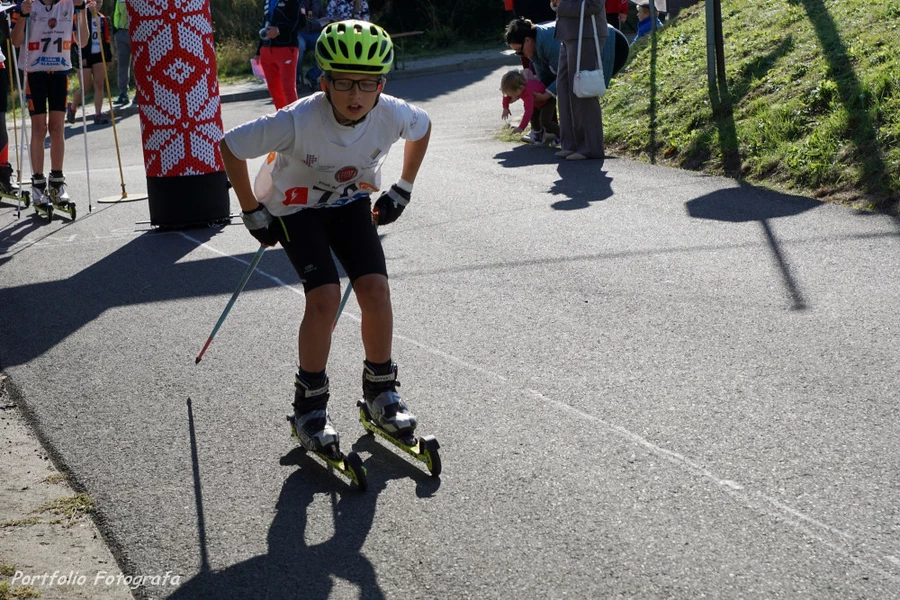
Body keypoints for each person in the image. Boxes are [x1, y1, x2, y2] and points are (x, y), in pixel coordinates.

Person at [220, 20, 432, 456]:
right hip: (294, 209)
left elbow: (424, 127)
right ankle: (310, 407)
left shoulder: (392, 112)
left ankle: (381, 393)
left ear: (381, 85)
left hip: (348, 202)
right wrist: (251, 210)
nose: (356, 96)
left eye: (368, 84)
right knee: (324, 297)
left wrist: (403, 188)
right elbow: (231, 146)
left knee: (375, 291)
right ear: (324, 82)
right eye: (344, 83)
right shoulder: (297, 120)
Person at [11, 0, 89, 206]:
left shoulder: (68, 4)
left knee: (57, 128)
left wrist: (81, 9)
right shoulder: (27, 3)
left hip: (60, 71)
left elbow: (82, 41)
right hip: (34, 73)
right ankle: (38, 185)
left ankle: (56, 183)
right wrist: (23, 15)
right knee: (39, 128)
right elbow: (16, 41)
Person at [553, 0, 606, 161]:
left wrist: (561, 5)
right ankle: (571, 144)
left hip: (586, 34)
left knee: (583, 89)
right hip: (568, 34)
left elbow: (593, 5)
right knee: (564, 89)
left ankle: (590, 147)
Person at [504, 17, 559, 144]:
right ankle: (541, 133)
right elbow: (545, 78)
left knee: (547, 117)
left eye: (520, 51)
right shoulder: (533, 52)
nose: (521, 55)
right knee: (537, 115)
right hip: (544, 95)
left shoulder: (548, 45)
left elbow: (564, 75)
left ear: (528, 40)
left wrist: (546, 95)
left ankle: (565, 137)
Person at [302, 0, 369, 89]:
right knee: (329, 48)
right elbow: (328, 17)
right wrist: (336, 21)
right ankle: (312, 77)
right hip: (338, 34)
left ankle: (358, 77)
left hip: (356, 35)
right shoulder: (335, 2)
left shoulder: (362, 3)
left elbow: (365, 21)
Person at [66, 1, 111, 125]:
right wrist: (81, 56)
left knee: (99, 85)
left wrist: (108, 57)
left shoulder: (102, 18)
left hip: (98, 55)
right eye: (95, 2)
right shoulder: (81, 16)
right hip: (84, 55)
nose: (98, 5)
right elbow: (75, 40)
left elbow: (106, 39)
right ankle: (72, 107)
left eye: (100, 2)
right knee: (85, 88)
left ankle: (98, 114)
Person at [258, 0, 304, 109]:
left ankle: (293, 117)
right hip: (267, 49)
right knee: (274, 89)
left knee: (288, 89)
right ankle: (281, 116)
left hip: (286, 48)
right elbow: (264, 23)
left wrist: (279, 30)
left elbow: (301, 22)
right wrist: (259, 50)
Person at [500, 69, 559, 146]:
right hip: (536, 102)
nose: (512, 96)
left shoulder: (527, 93)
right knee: (533, 118)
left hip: (547, 101)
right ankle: (538, 133)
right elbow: (506, 95)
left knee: (545, 121)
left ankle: (561, 135)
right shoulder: (518, 88)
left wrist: (521, 127)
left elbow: (528, 112)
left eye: (512, 94)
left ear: (520, 88)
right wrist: (505, 107)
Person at [296, 0, 325, 90]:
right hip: (300, 32)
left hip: (315, 32)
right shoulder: (295, 2)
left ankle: (312, 75)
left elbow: (322, 16)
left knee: (326, 47)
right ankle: (295, 79)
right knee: (299, 48)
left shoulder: (317, 2)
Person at [112, 0, 132, 105]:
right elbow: (116, 13)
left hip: (136, 32)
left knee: (139, 65)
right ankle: (123, 94)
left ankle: (140, 93)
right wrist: (116, 31)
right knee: (123, 65)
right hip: (121, 33)